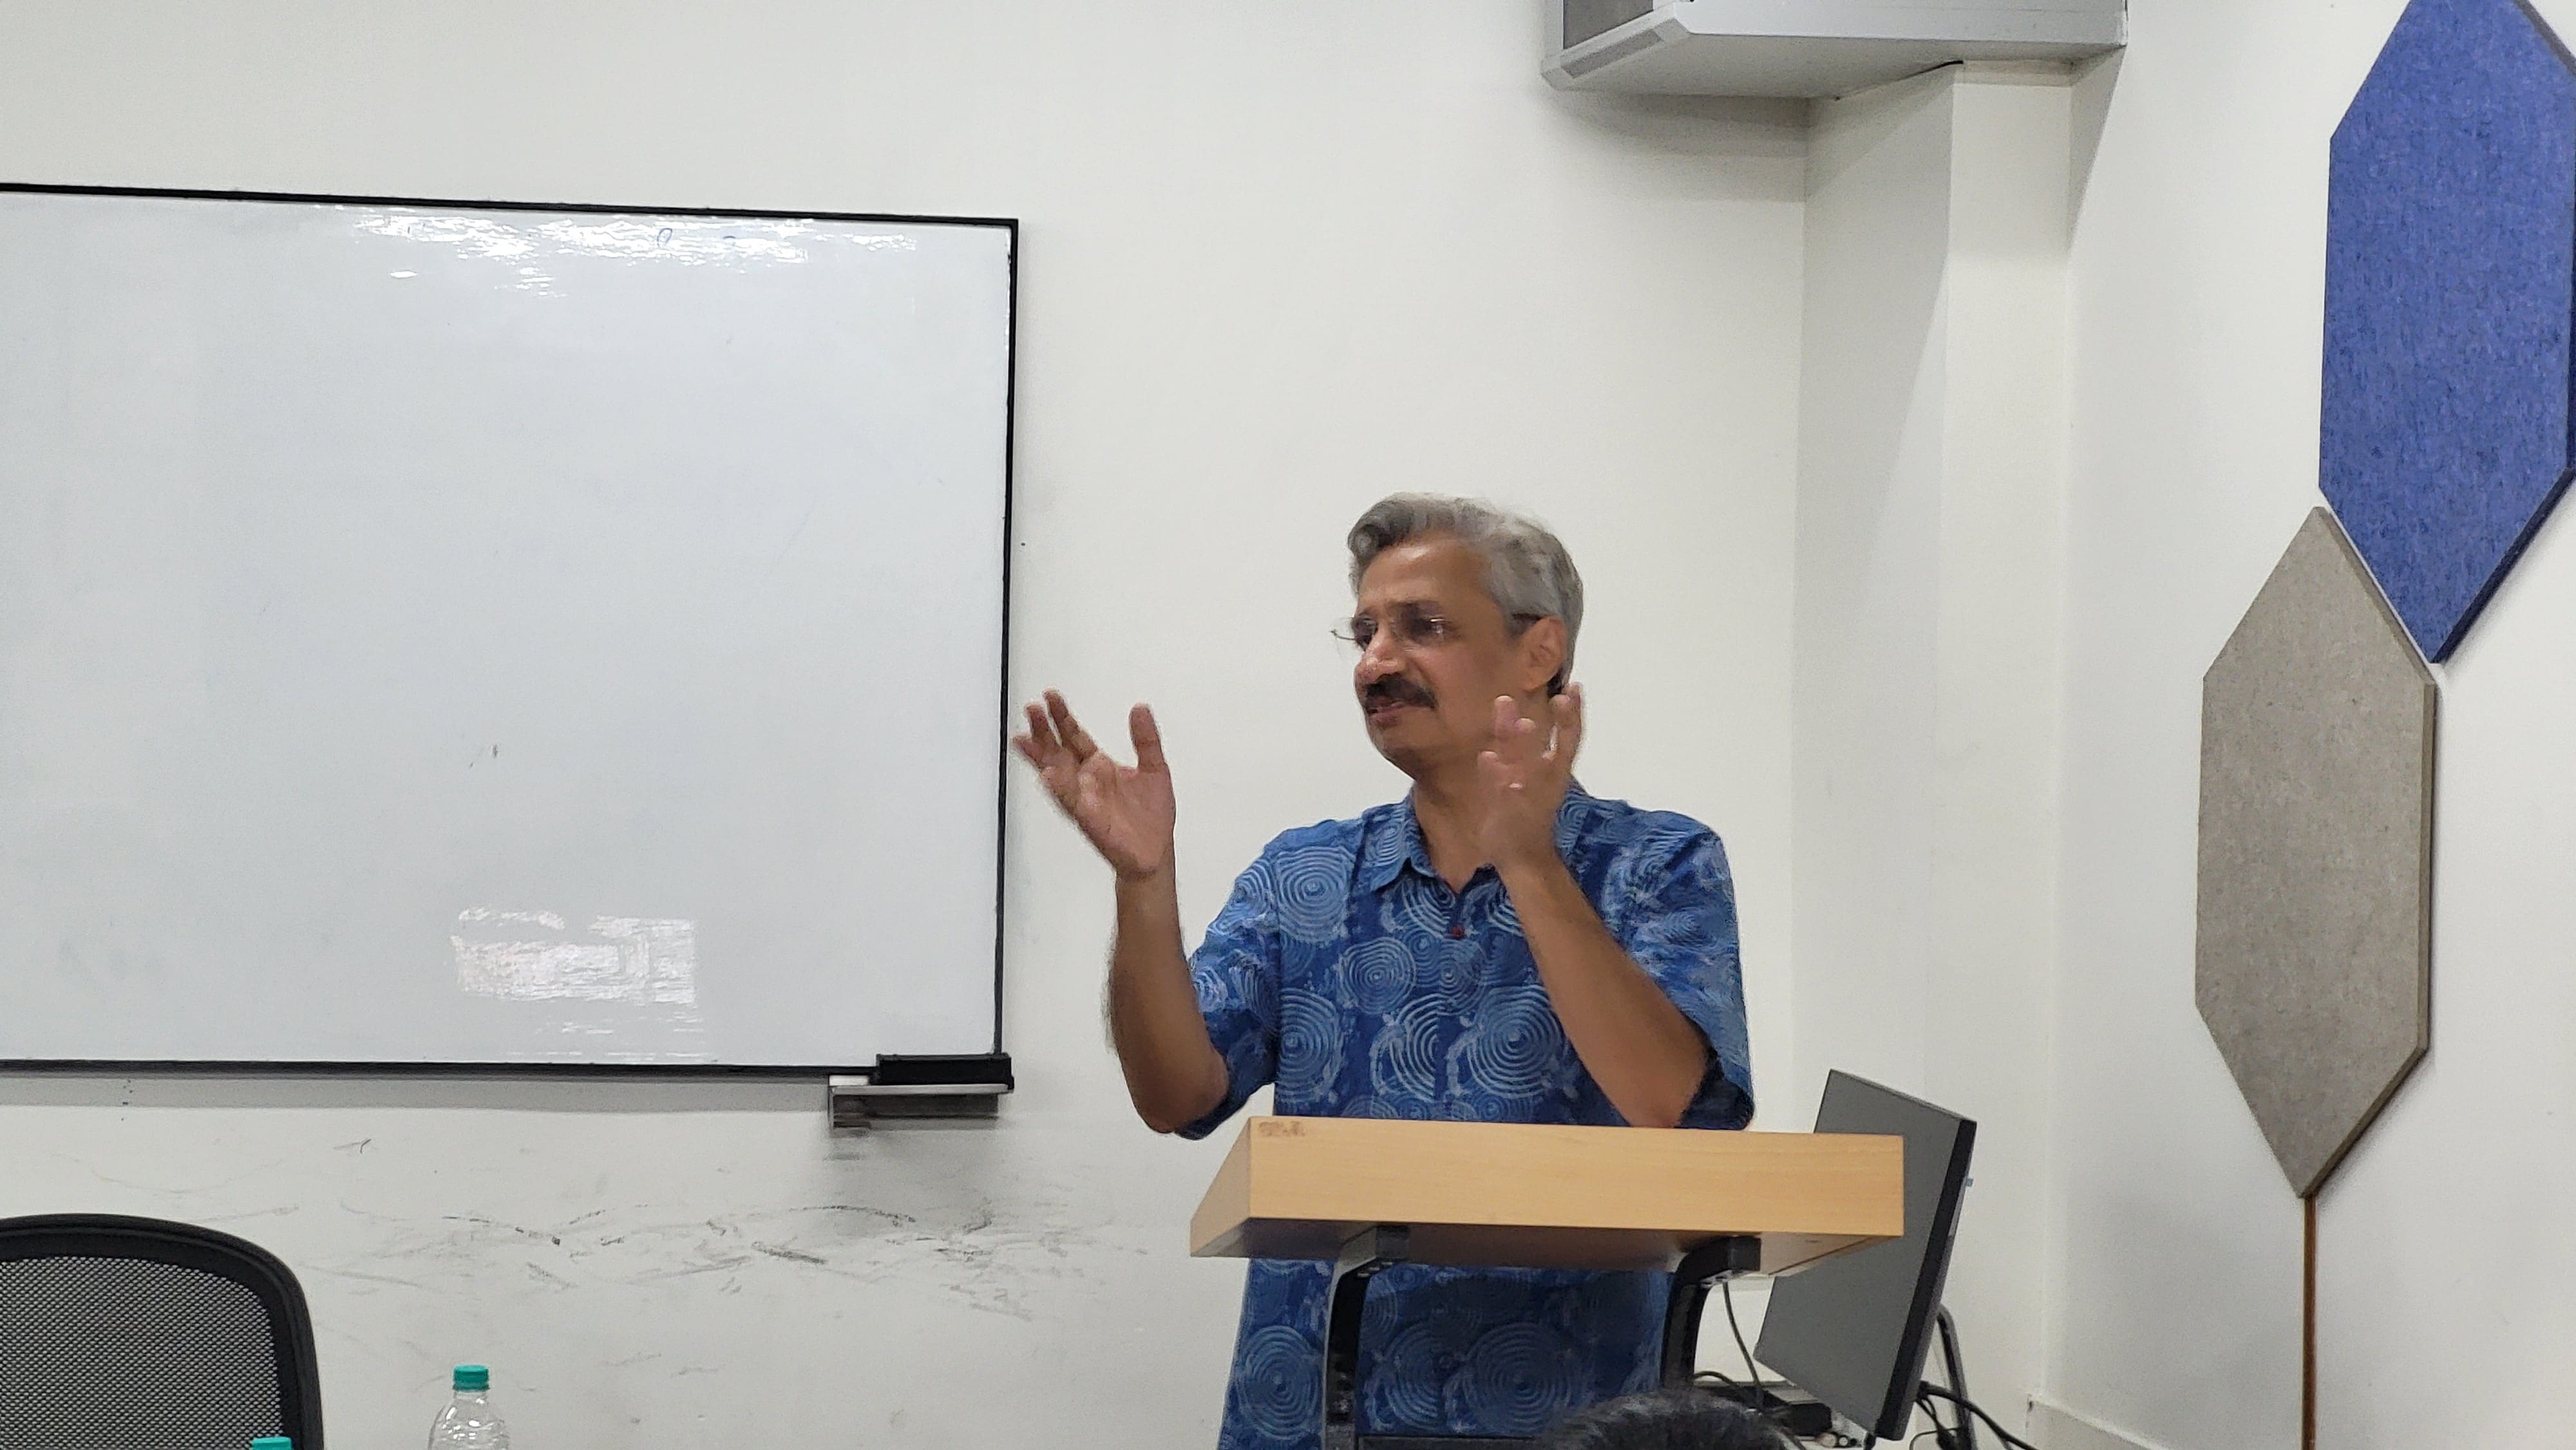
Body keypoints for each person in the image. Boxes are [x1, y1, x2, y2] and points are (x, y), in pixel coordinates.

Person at [1016, 494, 1754, 1447]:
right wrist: (1143, 885)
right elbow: (1176, 1095)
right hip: (1313, 1420)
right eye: (1365, 632)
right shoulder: (1306, 873)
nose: (1376, 662)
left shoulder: (1658, 864)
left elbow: (1670, 1105)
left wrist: (1528, 860)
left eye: (1424, 627)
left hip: (1575, 1425)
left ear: (1539, 651)